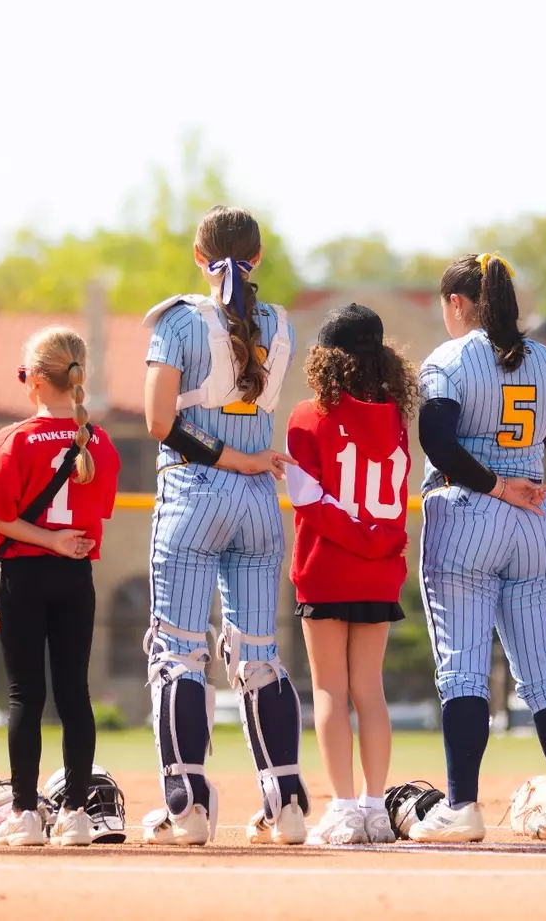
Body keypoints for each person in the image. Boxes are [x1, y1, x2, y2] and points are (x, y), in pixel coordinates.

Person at [139, 205, 311, 847]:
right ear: (258, 258)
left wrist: (229, 457)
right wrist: (244, 459)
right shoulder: (279, 323)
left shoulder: (182, 320)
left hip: (193, 489)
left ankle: (188, 807)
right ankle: (286, 802)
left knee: (179, 652)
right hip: (257, 502)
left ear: (197, 254)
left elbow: (161, 423)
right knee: (259, 655)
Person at [408, 253, 546, 843]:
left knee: (464, 670)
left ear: (459, 304)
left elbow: (437, 441)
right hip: (534, 517)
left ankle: (461, 806)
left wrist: (490, 482)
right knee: (542, 671)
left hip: (470, 511)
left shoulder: (451, 358)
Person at [0, 327, 120, 848]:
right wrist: (63, 543)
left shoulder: (12, 439)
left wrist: (45, 540)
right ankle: (77, 813)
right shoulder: (98, 441)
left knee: (25, 696)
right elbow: (97, 511)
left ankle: (25, 813)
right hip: (75, 576)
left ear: (33, 381)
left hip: (24, 573)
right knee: (74, 695)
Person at [284, 303, 419, 846]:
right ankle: (374, 808)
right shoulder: (395, 418)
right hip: (380, 570)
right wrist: (376, 542)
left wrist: (356, 538)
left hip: (327, 568)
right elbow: (394, 504)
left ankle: (343, 810)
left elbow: (305, 498)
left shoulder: (306, 415)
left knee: (330, 692)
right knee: (370, 691)